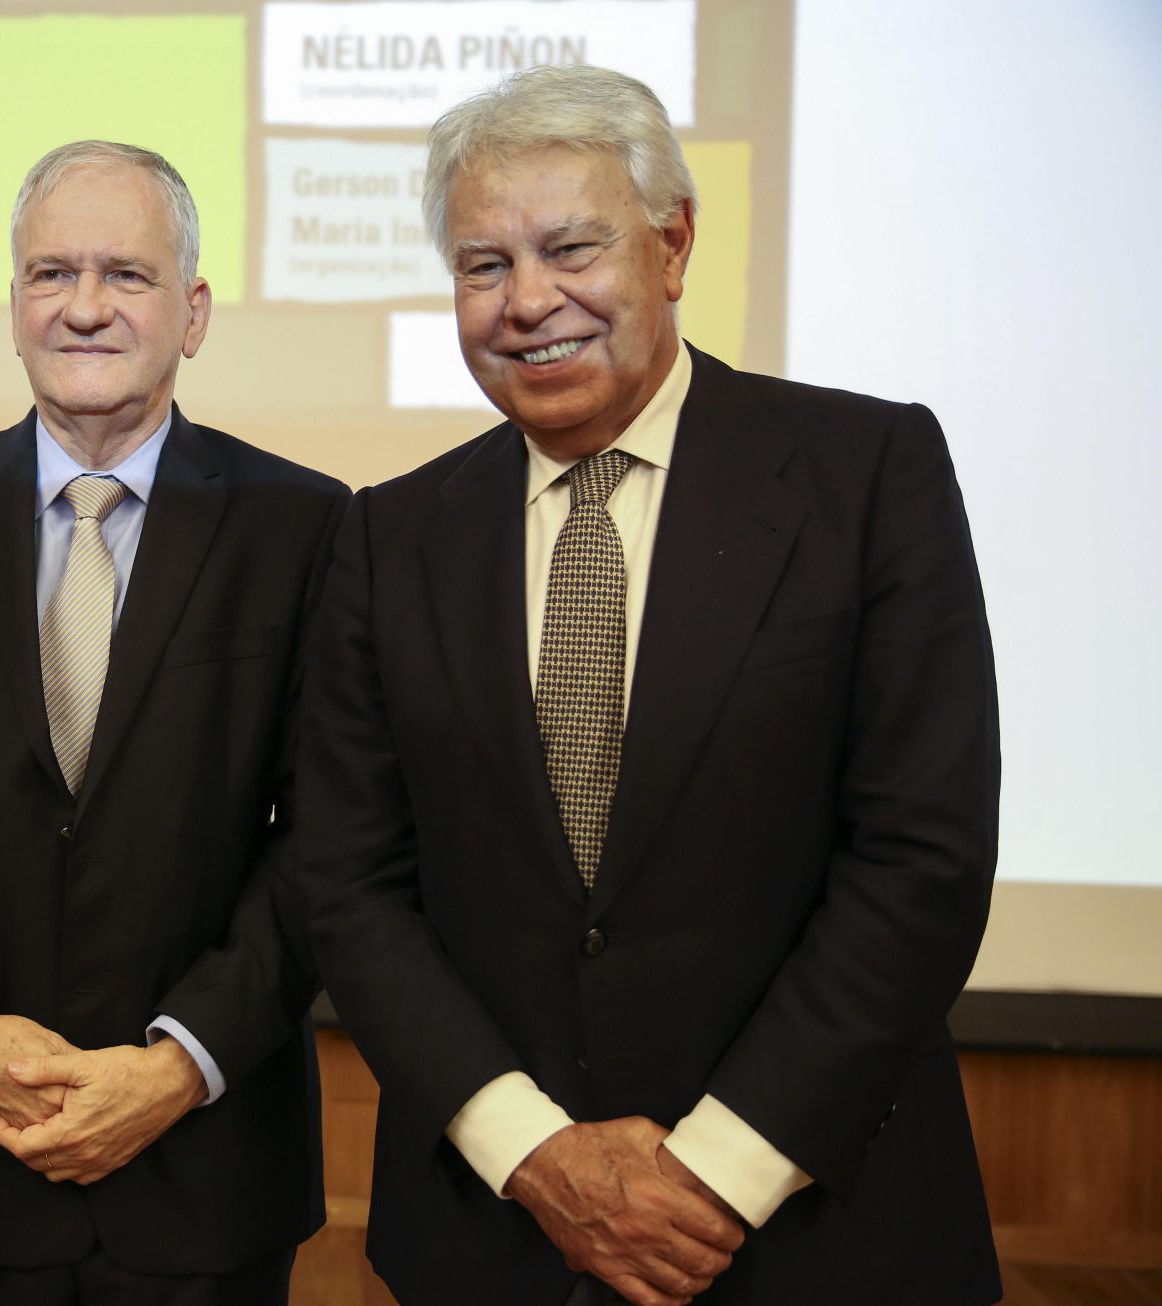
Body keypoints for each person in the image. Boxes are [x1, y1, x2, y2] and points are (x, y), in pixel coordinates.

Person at [296, 65, 1001, 1306]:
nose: (527, 303)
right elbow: (347, 881)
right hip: (498, 1238)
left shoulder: (866, 473)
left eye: (571, 247)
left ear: (671, 245)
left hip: (817, 1234)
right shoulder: (385, 537)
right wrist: (538, 1157)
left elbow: (921, 856)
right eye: (480, 265)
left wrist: (716, 1171)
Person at [0, 140, 347, 1304]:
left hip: (208, 1170)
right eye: (51, 274)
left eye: (128, 274)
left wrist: (175, 1065)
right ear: (12, 306)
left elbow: (330, 835)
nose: (86, 307)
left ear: (194, 311)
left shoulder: (304, 528)